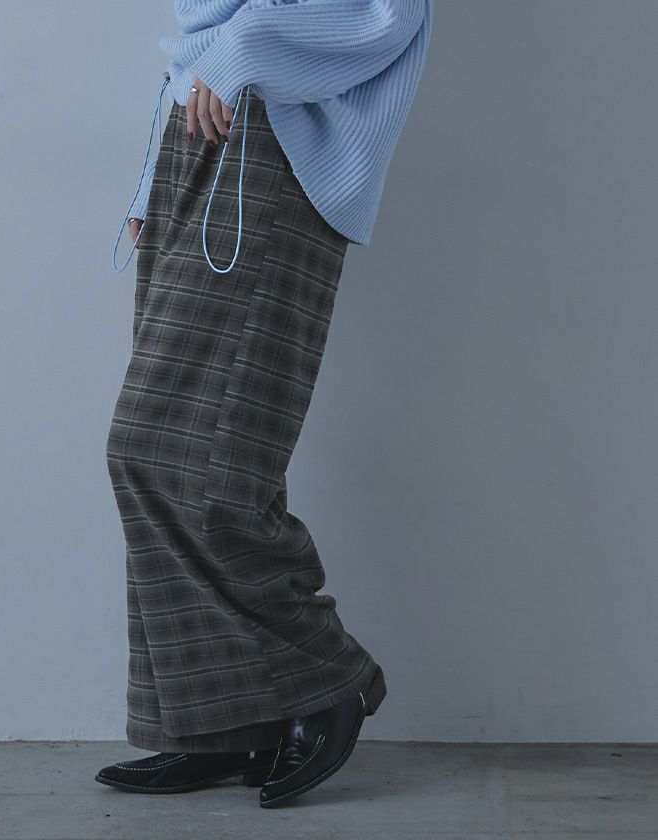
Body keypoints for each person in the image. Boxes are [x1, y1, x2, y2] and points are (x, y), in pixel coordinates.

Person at [100, 0, 433, 808]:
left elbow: (386, 13)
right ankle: (228, 721)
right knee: (183, 458)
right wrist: (156, 179)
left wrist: (241, 53)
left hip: (279, 144)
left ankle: (325, 678)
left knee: (183, 456)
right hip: (201, 131)